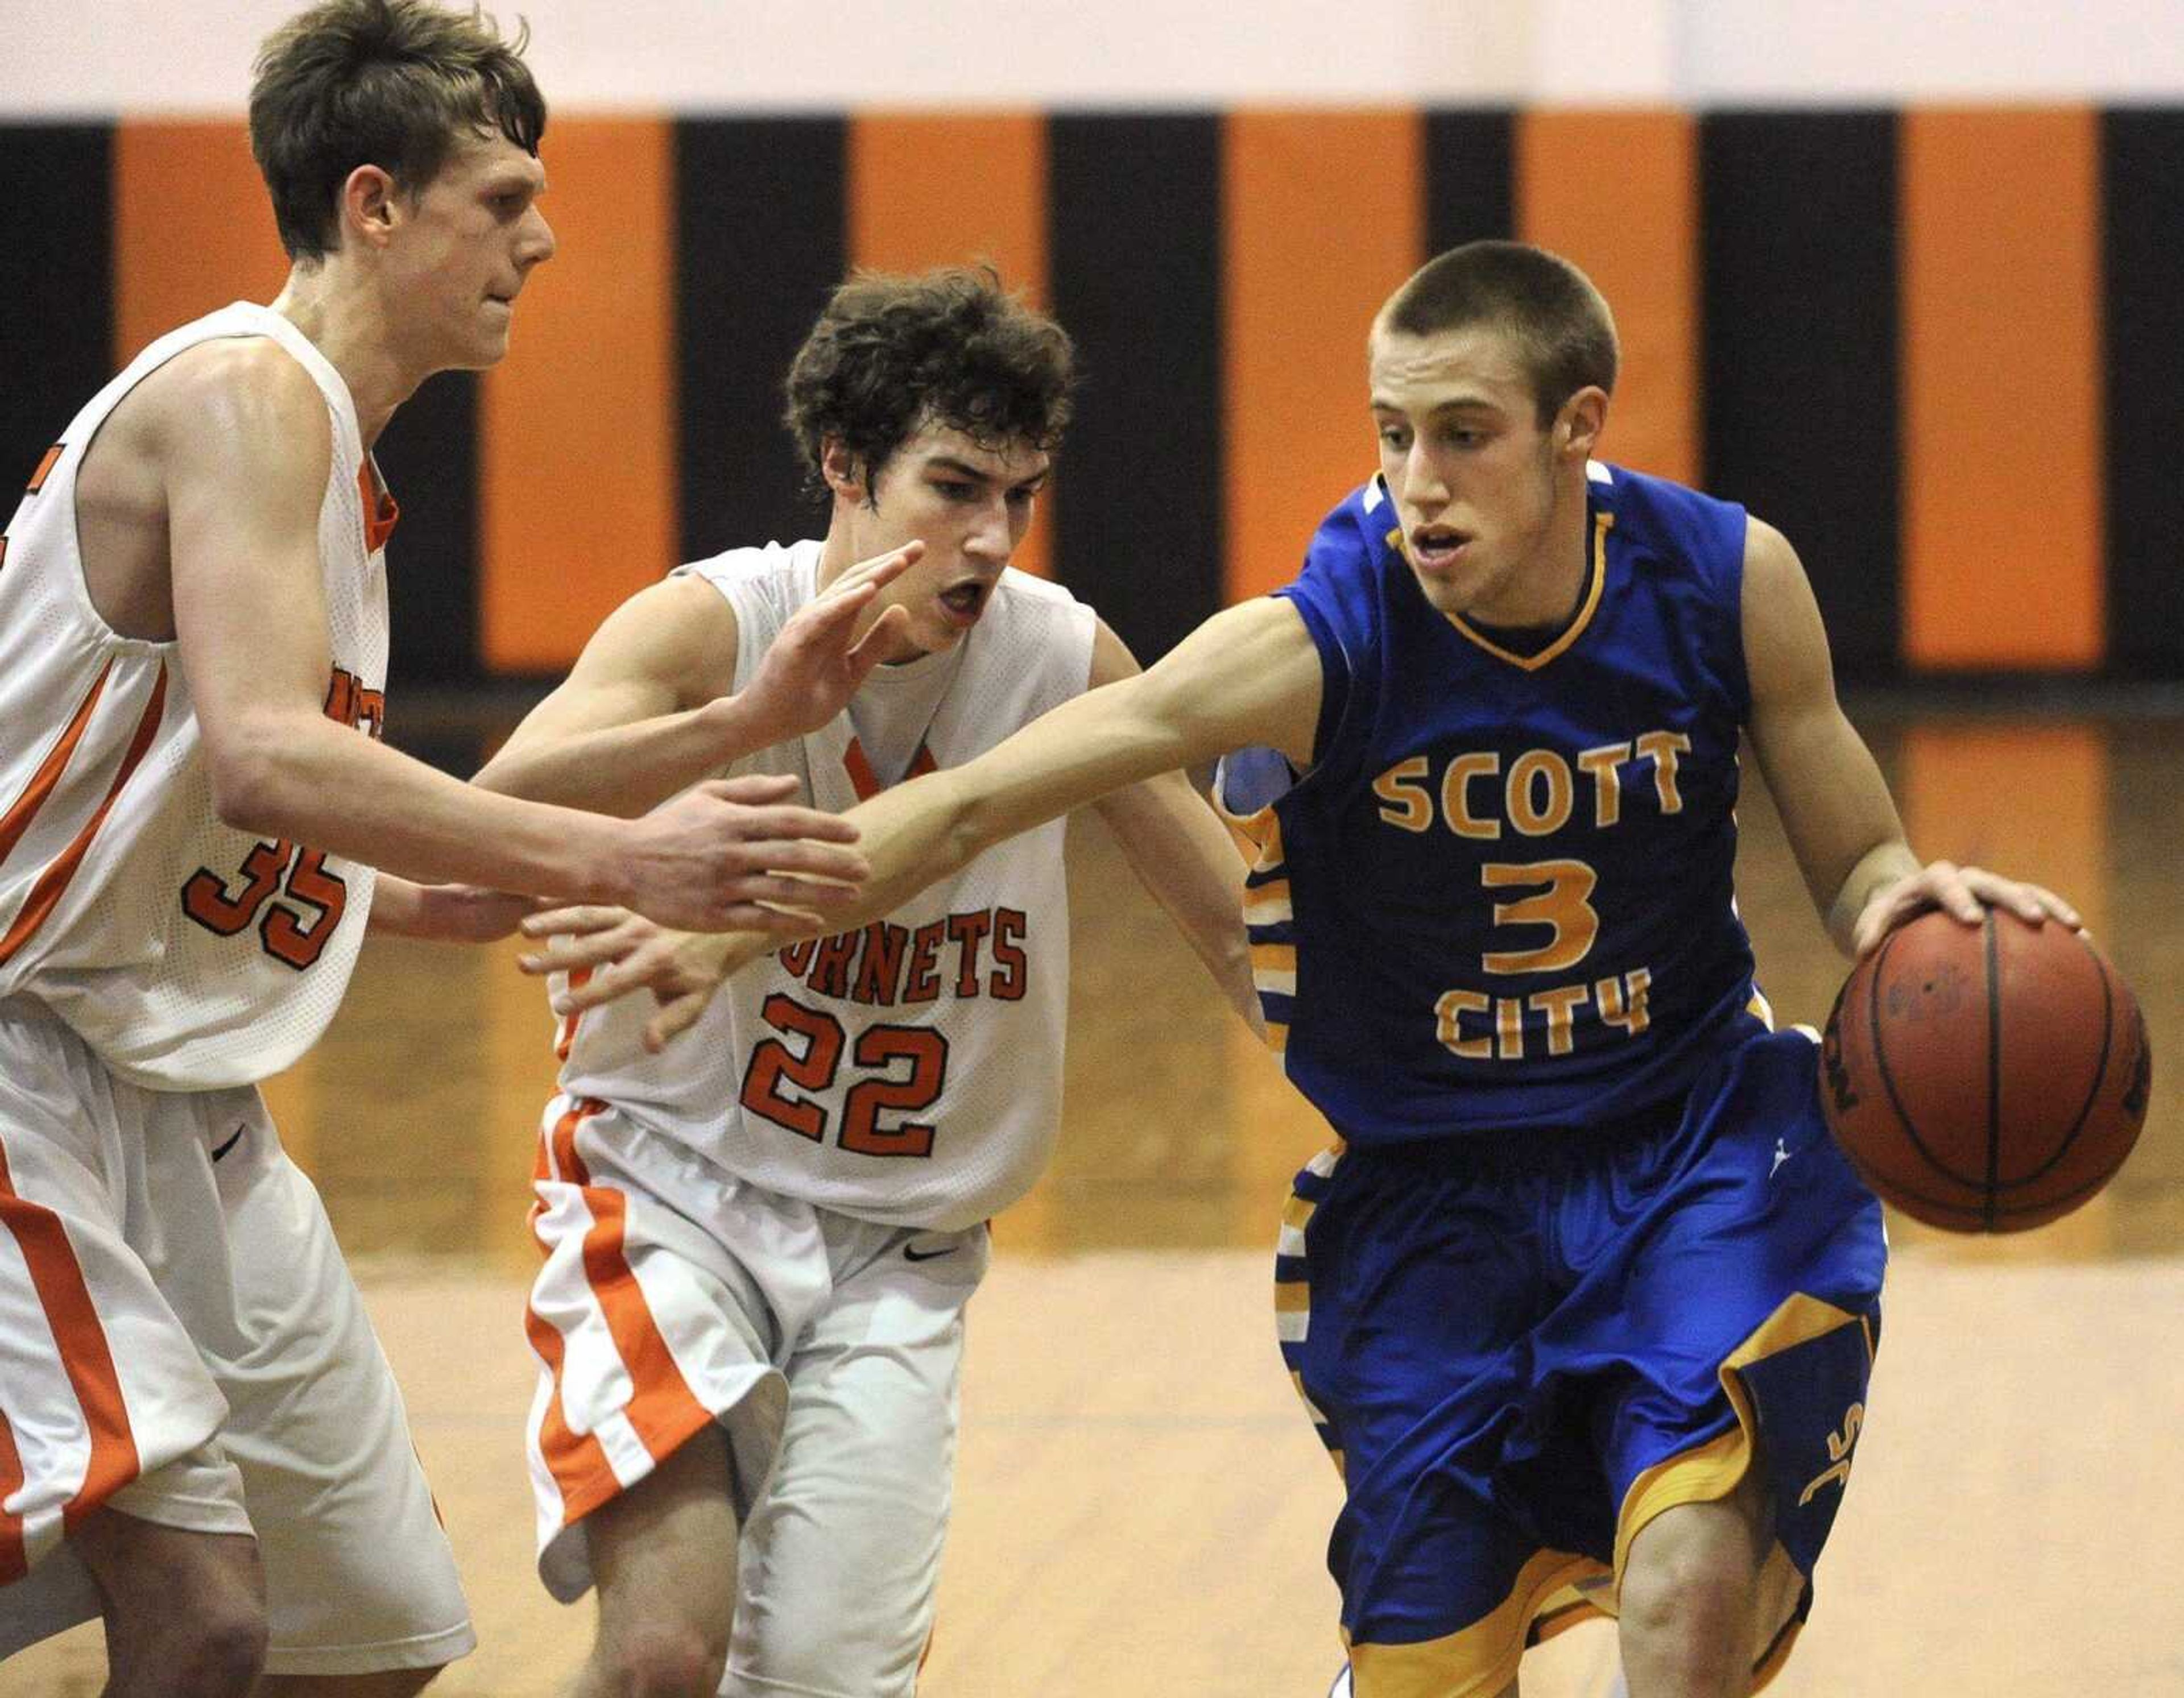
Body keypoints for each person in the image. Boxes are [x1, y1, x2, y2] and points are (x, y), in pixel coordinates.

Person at [535, 242, 2082, 1698]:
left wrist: (1906, 909)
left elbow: (1857, 854)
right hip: (1433, 1202)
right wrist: (719, 914)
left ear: (1577, 428)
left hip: (1689, 1146)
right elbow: (959, 809)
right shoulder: (1316, 637)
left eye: (1465, 434)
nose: (1419, 481)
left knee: (1685, 1606)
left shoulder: (1731, 581)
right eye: (1394, 434)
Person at [0, 3, 882, 1692]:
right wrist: (621, 861)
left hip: (171, 1095)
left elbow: (258, 816)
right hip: (23, 1064)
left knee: (373, 1630)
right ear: (373, 205)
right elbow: (271, 760)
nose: (540, 237)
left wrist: (727, 723)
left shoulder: (323, 452)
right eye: (500, 198)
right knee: (204, 1619)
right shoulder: (254, 393)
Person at [470, 267, 1257, 1698]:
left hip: (901, 1244)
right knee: (662, 1647)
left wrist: (1419, 1096)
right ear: (843, 466)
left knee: (826, 1680)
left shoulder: (1064, 658)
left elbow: (1229, 924)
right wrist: (745, 720)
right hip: (670, 1186)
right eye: (952, 487)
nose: (988, 539)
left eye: (1016, 495)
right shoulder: (709, 624)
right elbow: (493, 804)